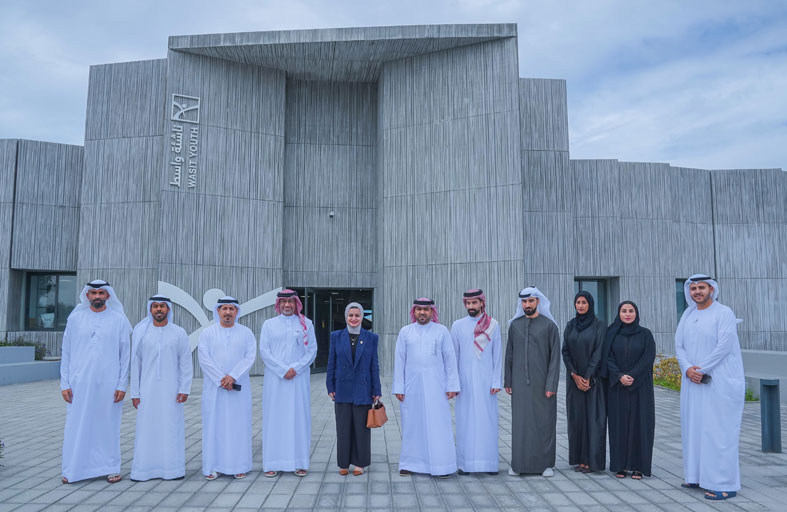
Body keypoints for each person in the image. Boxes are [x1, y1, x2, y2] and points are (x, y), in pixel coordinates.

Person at [675, 274, 744, 501]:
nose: (697, 292)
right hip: (693, 382)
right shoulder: (688, 314)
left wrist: (701, 369)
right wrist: (687, 369)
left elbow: (724, 346)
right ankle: (695, 476)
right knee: (694, 429)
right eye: (693, 288)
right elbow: (679, 345)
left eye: (701, 288)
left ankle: (724, 483)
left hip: (719, 382)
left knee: (718, 432)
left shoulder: (724, 313)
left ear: (711, 290)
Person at [60, 280, 131, 484]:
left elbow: (124, 355)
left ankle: (110, 467)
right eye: (93, 293)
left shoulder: (118, 320)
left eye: (101, 293)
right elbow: (66, 352)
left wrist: (121, 385)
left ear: (108, 296)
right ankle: (73, 469)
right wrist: (64, 383)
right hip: (78, 383)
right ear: (87, 296)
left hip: (108, 383)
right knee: (76, 425)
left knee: (107, 425)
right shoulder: (75, 319)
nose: (97, 296)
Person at [393, 298, 460, 477]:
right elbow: (399, 361)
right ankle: (410, 464)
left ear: (432, 312)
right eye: (419, 309)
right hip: (411, 387)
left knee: (438, 424)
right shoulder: (405, 332)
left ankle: (442, 466)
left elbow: (450, 359)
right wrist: (399, 387)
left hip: (437, 387)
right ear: (414, 312)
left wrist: (452, 385)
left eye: (426, 310)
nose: (422, 313)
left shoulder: (442, 331)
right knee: (412, 425)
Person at [129, 295, 193, 481]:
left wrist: (184, 388)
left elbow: (185, 363)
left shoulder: (179, 333)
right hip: (147, 391)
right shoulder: (141, 332)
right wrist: (135, 392)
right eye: (155, 306)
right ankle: (143, 470)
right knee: (146, 428)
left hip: (171, 391)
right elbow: (136, 364)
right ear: (150, 310)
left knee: (171, 428)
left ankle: (172, 470)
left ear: (169, 309)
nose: (158, 309)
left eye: (162, 306)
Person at [259, 289, 317, 477]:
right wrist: (283, 370)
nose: (287, 305)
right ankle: (272, 463)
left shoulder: (306, 324)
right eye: (283, 302)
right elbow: (264, 352)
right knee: (275, 419)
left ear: (296, 303)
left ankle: (300, 462)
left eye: (290, 302)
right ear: (278, 304)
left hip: (298, 381)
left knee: (298, 419)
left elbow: (312, 351)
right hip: (275, 381)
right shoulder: (269, 325)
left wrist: (295, 368)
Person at [198, 296, 256, 480]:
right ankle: (213, 466)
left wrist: (233, 376)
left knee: (238, 427)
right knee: (214, 426)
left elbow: (250, 357)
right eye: (224, 309)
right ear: (218, 311)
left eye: (232, 309)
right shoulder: (207, 333)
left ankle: (239, 465)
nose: (228, 312)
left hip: (238, 390)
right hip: (215, 390)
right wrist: (221, 379)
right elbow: (204, 359)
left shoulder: (246, 333)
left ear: (237, 311)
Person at [504, 286, 560, 477]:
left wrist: (551, 384)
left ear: (538, 302)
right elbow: (509, 355)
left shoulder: (549, 326)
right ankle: (518, 465)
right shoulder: (515, 325)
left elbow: (554, 359)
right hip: (519, 384)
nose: (527, 305)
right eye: (524, 302)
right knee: (520, 424)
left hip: (543, 384)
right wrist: (508, 380)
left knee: (544, 422)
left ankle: (545, 465)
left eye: (531, 301)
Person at [326, 302, 381, 476]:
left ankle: (360, 463)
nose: (354, 318)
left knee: (361, 429)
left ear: (362, 317)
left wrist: (376, 389)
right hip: (342, 388)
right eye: (351, 315)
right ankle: (343, 463)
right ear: (346, 317)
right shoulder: (336, 336)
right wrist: (330, 385)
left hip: (363, 389)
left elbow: (374, 365)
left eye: (357, 315)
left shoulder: (371, 337)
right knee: (343, 428)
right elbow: (331, 363)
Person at [450, 289, 501, 475]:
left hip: (486, 382)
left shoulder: (493, 325)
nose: (471, 307)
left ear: (482, 303)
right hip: (464, 382)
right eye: (468, 303)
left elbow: (497, 355)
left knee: (487, 421)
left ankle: (489, 464)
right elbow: (453, 357)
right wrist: (453, 383)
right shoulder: (457, 326)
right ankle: (465, 465)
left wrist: (496, 381)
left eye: (474, 303)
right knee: (465, 422)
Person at [605, 301, 655, 480]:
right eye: (624, 311)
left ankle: (638, 466)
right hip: (617, 388)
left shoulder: (645, 335)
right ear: (619, 313)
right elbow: (607, 357)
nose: (627, 314)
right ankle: (620, 465)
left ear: (636, 313)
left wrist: (632, 376)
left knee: (640, 425)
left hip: (640, 387)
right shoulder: (612, 334)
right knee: (619, 426)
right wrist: (619, 376)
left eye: (631, 311)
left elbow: (648, 358)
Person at [562, 291, 607, 473]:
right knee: (577, 420)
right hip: (574, 381)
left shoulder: (599, 326)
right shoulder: (570, 325)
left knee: (593, 420)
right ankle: (580, 459)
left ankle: (592, 461)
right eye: (578, 302)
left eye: (584, 302)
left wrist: (587, 376)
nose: (580, 305)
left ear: (590, 304)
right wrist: (574, 375)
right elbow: (565, 351)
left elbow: (599, 352)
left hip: (593, 381)